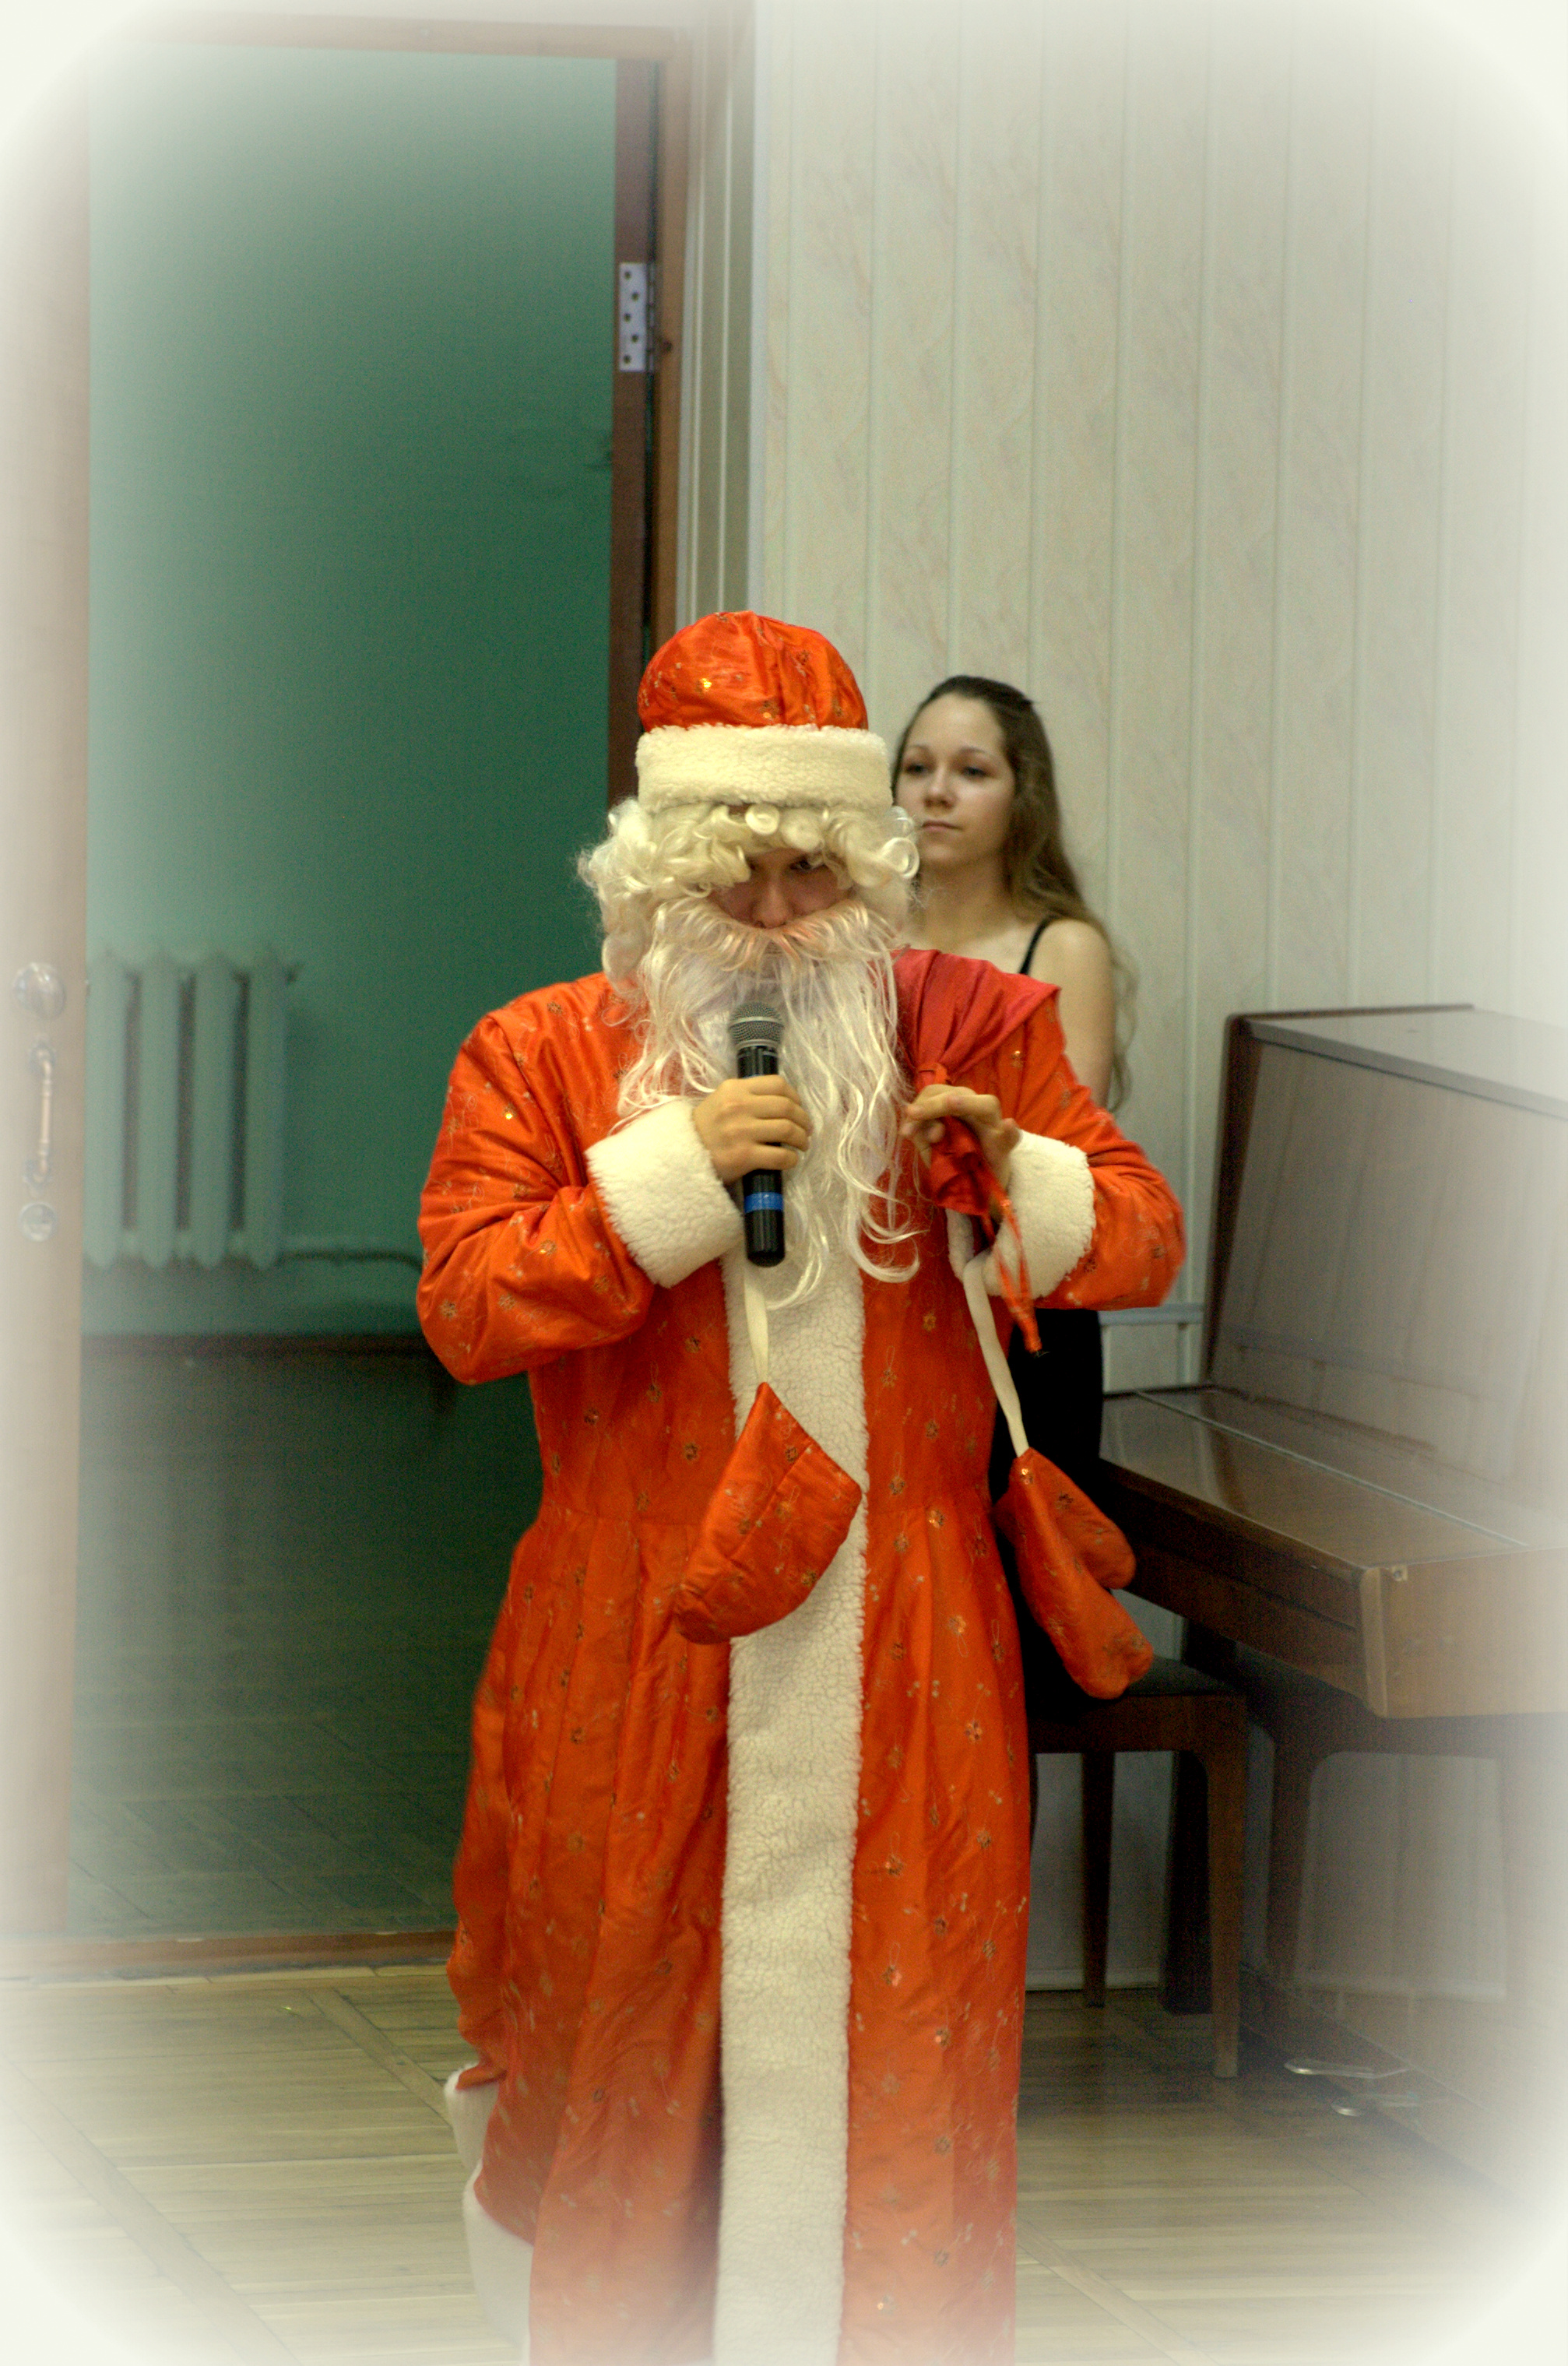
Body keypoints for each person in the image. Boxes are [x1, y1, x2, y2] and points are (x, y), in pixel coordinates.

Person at [417, 612, 1183, 2366]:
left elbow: (1139, 1238)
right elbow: (464, 1309)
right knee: (616, 2033)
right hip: (638, 1630)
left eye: (812, 871)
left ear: (869, 870)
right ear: (656, 876)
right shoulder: (539, 1050)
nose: (774, 911)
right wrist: (670, 1177)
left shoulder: (974, 1030)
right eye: (734, 872)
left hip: (910, 1642)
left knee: (904, 2042)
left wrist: (1017, 1171)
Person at [893, 677, 1130, 1719]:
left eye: (971, 770)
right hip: (901, 1302)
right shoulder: (861, 934)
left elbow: (1062, 1154)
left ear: (1020, 794)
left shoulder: (1060, 945)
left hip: (1021, 1314)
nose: (936, 792)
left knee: (1009, 1644)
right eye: (917, 767)